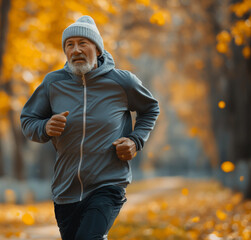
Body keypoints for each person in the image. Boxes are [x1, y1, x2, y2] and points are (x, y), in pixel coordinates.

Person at [20, 15, 160, 240]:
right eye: (69, 45)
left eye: (82, 43)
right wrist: (45, 127)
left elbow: (150, 109)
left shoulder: (122, 82)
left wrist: (135, 140)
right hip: (66, 190)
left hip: (108, 183)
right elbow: (28, 121)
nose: (75, 50)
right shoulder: (53, 83)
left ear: (97, 49)